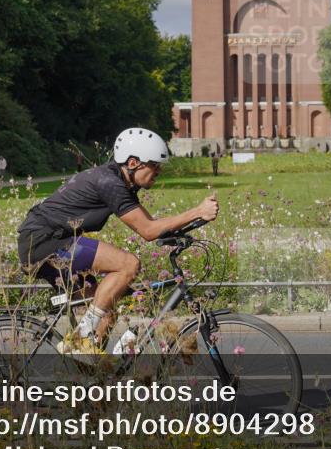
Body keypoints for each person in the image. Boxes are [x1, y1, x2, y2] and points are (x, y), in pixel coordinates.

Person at [17, 127, 219, 357]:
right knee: (128, 264)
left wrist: (185, 231)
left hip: (47, 241)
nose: (159, 171)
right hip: (45, 242)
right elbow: (149, 231)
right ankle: (80, 338)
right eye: (154, 165)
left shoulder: (120, 182)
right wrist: (197, 211)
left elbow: (151, 224)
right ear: (133, 163)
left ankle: (93, 374)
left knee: (107, 308)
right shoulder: (109, 183)